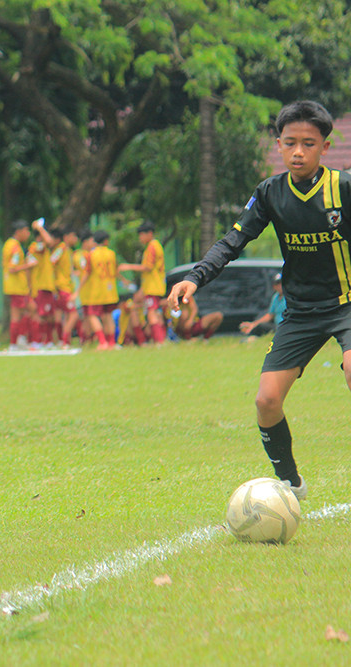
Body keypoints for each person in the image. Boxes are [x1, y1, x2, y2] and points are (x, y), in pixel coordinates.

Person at [167, 100, 351, 502]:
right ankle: (290, 484)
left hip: (348, 305)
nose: (298, 151)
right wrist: (194, 279)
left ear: (325, 146)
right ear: (279, 145)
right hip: (301, 312)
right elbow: (233, 241)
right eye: (290, 143)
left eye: (308, 143)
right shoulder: (269, 193)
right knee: (267, 401)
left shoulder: (344, 188)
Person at [118, 221, 167, 344]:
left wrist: (128, 267)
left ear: (149, 233)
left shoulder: (152, 246)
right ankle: (159, 340)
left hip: (153, 286)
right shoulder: (156, 245)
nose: (140, 238)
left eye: (141, 235)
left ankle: (159, 341)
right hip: (155, 285)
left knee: (151, 313)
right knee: (154, 312)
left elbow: (148, 267)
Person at [79, 230, 119, 349]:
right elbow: (115, 270)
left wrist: (78, 290)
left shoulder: (91, 254)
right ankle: (111, 342)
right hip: (110, 290)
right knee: (108, 316)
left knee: (92, 315)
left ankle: (102, 342)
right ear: (106, 241)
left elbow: (87, 272)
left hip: (97, 291)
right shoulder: (111, 253)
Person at [2, 220, 37, 350]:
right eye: (26, 231)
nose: (28, 234)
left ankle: (17, 342)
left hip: (14, 286)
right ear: (19, 232)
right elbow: (12, 268)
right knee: (23, 312)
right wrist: (29, 265)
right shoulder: (15, 247)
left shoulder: (8, 244)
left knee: (25, 311)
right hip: (17, 287)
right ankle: (18, 341)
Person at [28, 218, 57, 347]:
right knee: (40, 315)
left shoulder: (44, 249)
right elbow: (49, 241)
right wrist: (39, 227)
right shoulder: (35, 247)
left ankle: (48, 340)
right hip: (40, 286)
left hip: (47, 286)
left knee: (49, 316)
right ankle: (37, 341)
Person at [52, 227, 81, 348]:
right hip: (63, 287)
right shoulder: (62, 248)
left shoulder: (68, 250)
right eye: (73, 236)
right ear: (66, 237)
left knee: (66, 315)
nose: (75, 239)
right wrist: (56, 280)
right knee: (74, 315)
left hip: (67, 287)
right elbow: (52, 261)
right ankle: (64, 340)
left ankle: (64, 341)